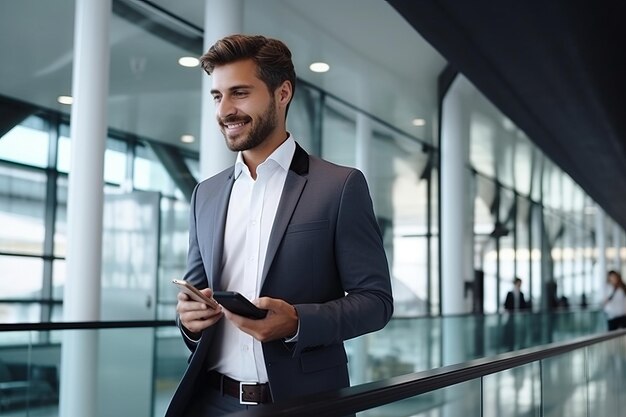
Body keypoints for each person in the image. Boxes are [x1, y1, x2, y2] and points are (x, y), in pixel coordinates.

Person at [165, 34, 393, 416]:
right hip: (211, 403)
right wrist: (189, 320)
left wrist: (299, 322)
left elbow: (376, 302)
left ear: (282, 93)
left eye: (239, 93)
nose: (226, 110)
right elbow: (197, 295)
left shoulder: (340, 187)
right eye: (218, 96)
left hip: (303, 404)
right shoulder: (205, 194)